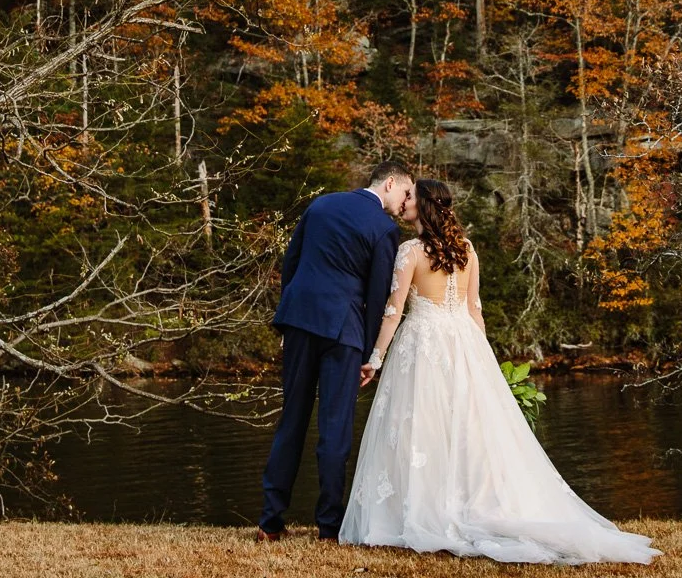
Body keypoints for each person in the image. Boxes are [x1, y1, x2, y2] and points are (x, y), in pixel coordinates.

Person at [340, 178, 659, 565]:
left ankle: (424, 509)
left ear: (422, 206)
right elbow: (475, 310)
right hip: (463, 342)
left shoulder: (410, 252)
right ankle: (463, 500)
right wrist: (484, 361)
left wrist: (374, 359)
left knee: (420, 427)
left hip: (423, 345)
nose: (404, 202)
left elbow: (392, 313)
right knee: (467, 430)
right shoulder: (467, 249)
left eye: (410, 198)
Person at [258, 159, 416, 542]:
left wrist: (287, 317)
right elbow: (379, 294)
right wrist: (367, 354)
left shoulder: (321, 204)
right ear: (390, 183)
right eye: (406, 193)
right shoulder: (384, 229)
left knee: (291, 420)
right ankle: (328, 527)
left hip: (299, 321)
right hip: (343, 331)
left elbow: (291, 262)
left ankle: (270, 523)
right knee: (334, 429)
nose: (406, 201)